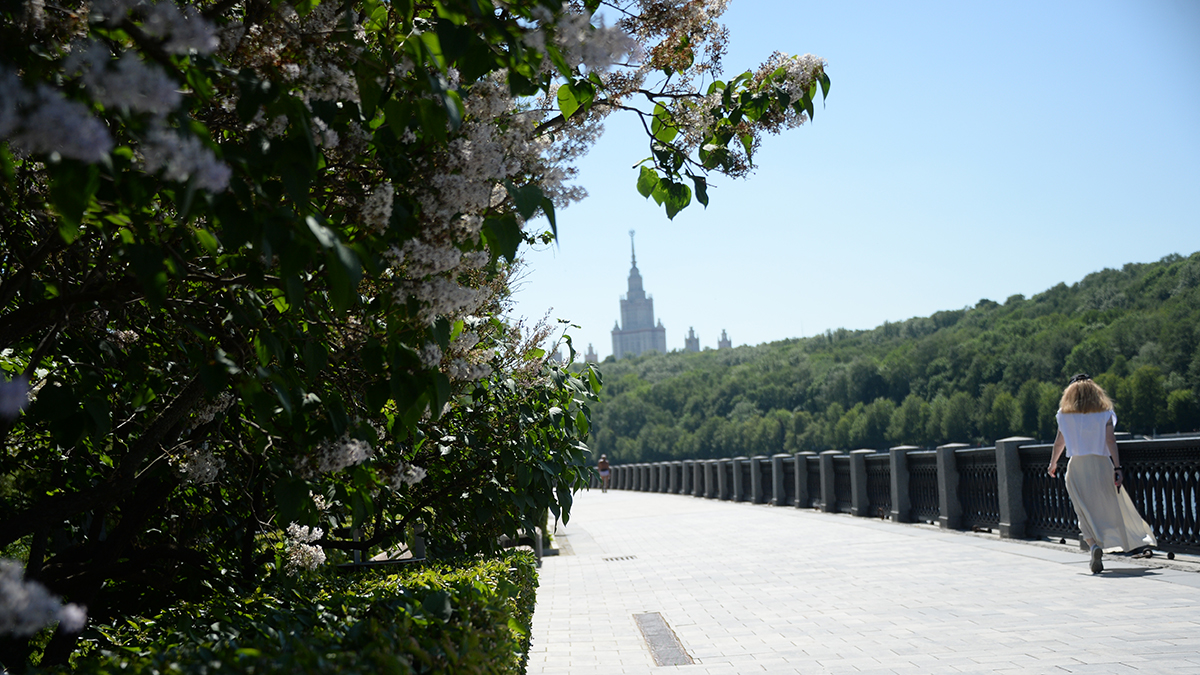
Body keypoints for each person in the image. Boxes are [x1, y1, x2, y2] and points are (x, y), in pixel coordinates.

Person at [1048, 373, 1156, 574]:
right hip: (1101, 465)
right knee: (1109, 507)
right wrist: (1117, 468)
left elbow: (1059, 443)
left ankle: (1093, 546)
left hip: (1077, 467)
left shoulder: (1064, 415)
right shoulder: (1105, 413)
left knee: (1083, 510)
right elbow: (1110, 441)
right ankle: (1121, 539)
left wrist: (1053, 464)